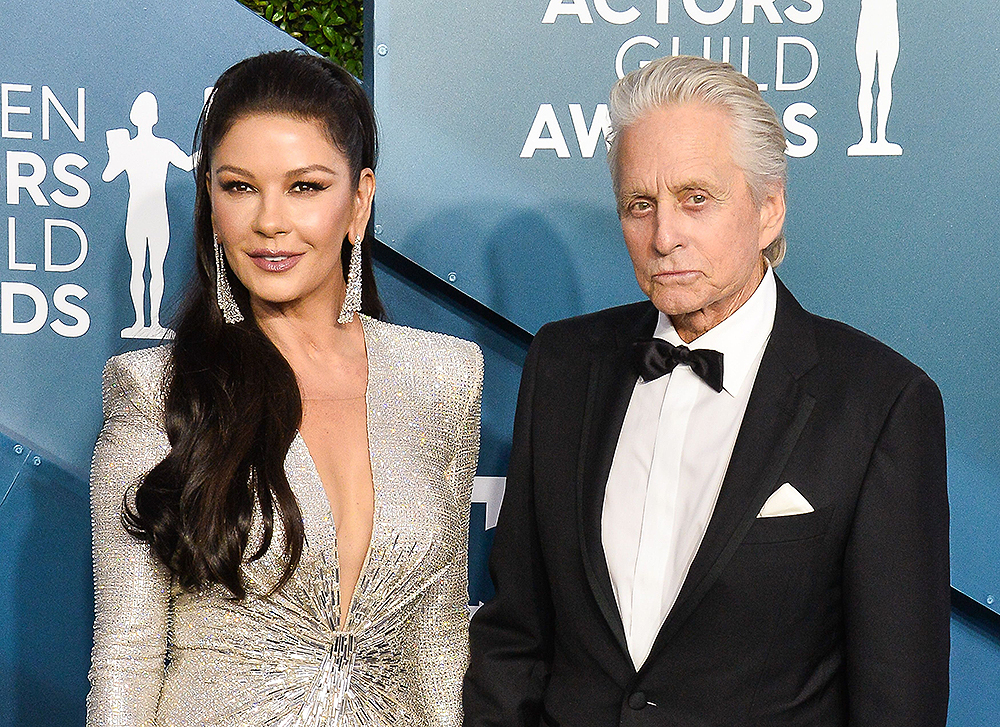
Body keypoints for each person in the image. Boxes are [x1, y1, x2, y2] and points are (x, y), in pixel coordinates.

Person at [464, 55, 948, 726]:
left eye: (697, 198)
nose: (664, 236)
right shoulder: (564, 364)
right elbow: (515, 636)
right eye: (641, 205)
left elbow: (898, 695)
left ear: (768, 208)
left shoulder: (880, 402)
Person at [88, 50, 482, 727]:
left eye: (304, 186)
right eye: (239, 186)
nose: (269, 221)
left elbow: (439, 640)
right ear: (209, 200)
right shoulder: (154, 391)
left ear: (358, 201)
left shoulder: (443, 377)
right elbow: (125, 656)